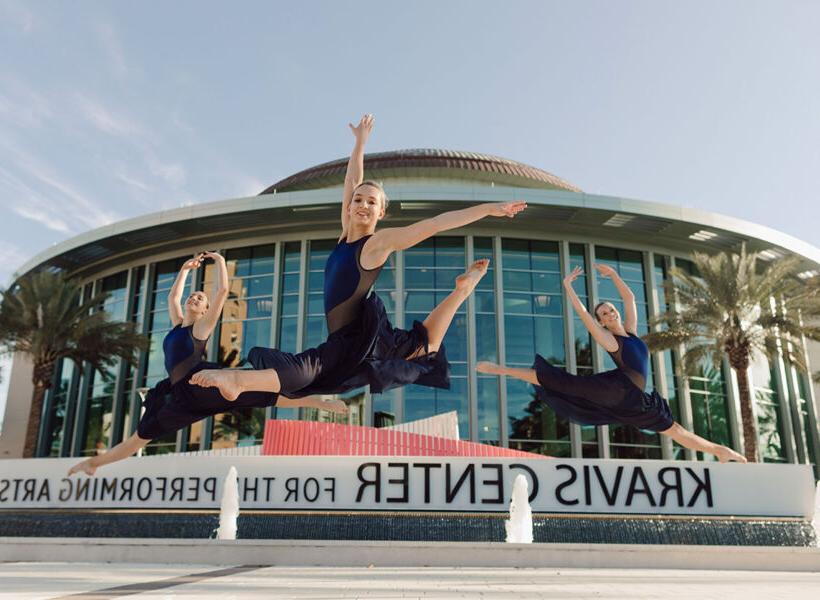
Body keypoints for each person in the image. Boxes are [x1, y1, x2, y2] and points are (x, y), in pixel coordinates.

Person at [189, 114, 526, 402]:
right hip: (355, 336)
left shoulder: (377, 244)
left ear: (381, 213)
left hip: (357, 339)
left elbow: (434, 224)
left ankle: (238, 381)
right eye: (359, 200)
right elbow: (352, 179)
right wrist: (359, 144)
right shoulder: (343, 235)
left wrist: (488, 209)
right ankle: (462, 291)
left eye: (371, 203)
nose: (363, 205)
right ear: (349, 207)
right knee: (425, 345)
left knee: (314, 368)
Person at [68, 252, 345, 476]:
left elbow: (223, 290)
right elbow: (172, 297)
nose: (194, 298)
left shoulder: (199, 331)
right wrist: (185, 270)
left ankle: (319, 402)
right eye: (194, 295)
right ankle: (94, 464)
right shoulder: (178, 324)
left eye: (200, 298)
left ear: (203, 311)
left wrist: (220, 261)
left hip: (202, 382)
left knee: (263, 394)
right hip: (178, 396)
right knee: (140, 436)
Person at [477, 263, 747, 463]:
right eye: (603, 313)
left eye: (609, 308)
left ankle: (719, 451)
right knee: (561, 382)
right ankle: (497, 369)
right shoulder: (610, 340)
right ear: (602, 322)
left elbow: (629, 298)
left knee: (673, 428)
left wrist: (614, 275)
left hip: (633, 399)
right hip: (617, 388)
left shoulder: (630, 330)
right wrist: (568, 286)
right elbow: (583, 315)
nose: (609, 312)